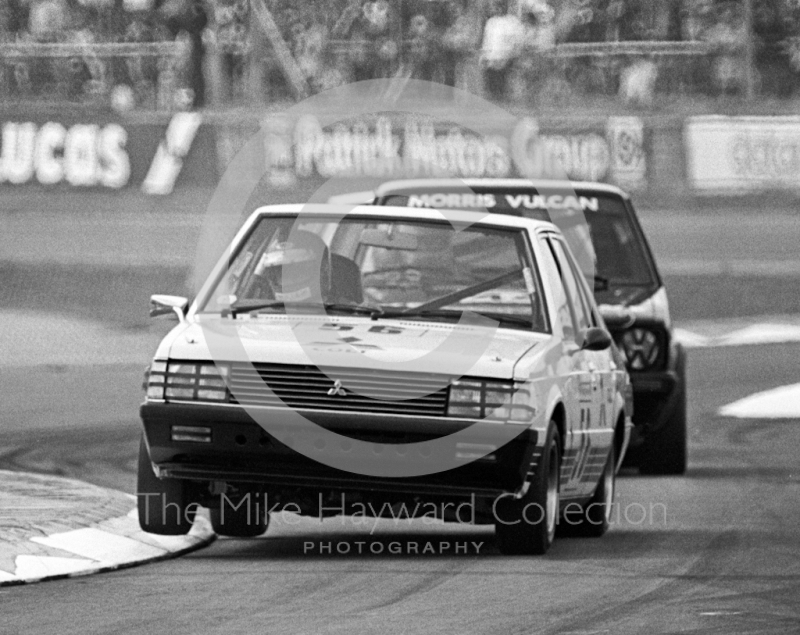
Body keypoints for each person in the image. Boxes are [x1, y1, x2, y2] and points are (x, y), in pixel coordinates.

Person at [480, 0, 523, 101]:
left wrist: (509, 57)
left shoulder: (513, 22)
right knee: (490, 91)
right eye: (497, 6)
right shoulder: (491, 22)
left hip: (505, 61)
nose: (498, 8)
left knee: (502, 91)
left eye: (501, 5)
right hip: (491, 61)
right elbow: (487, 41)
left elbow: (517, 43)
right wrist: (484, 57)